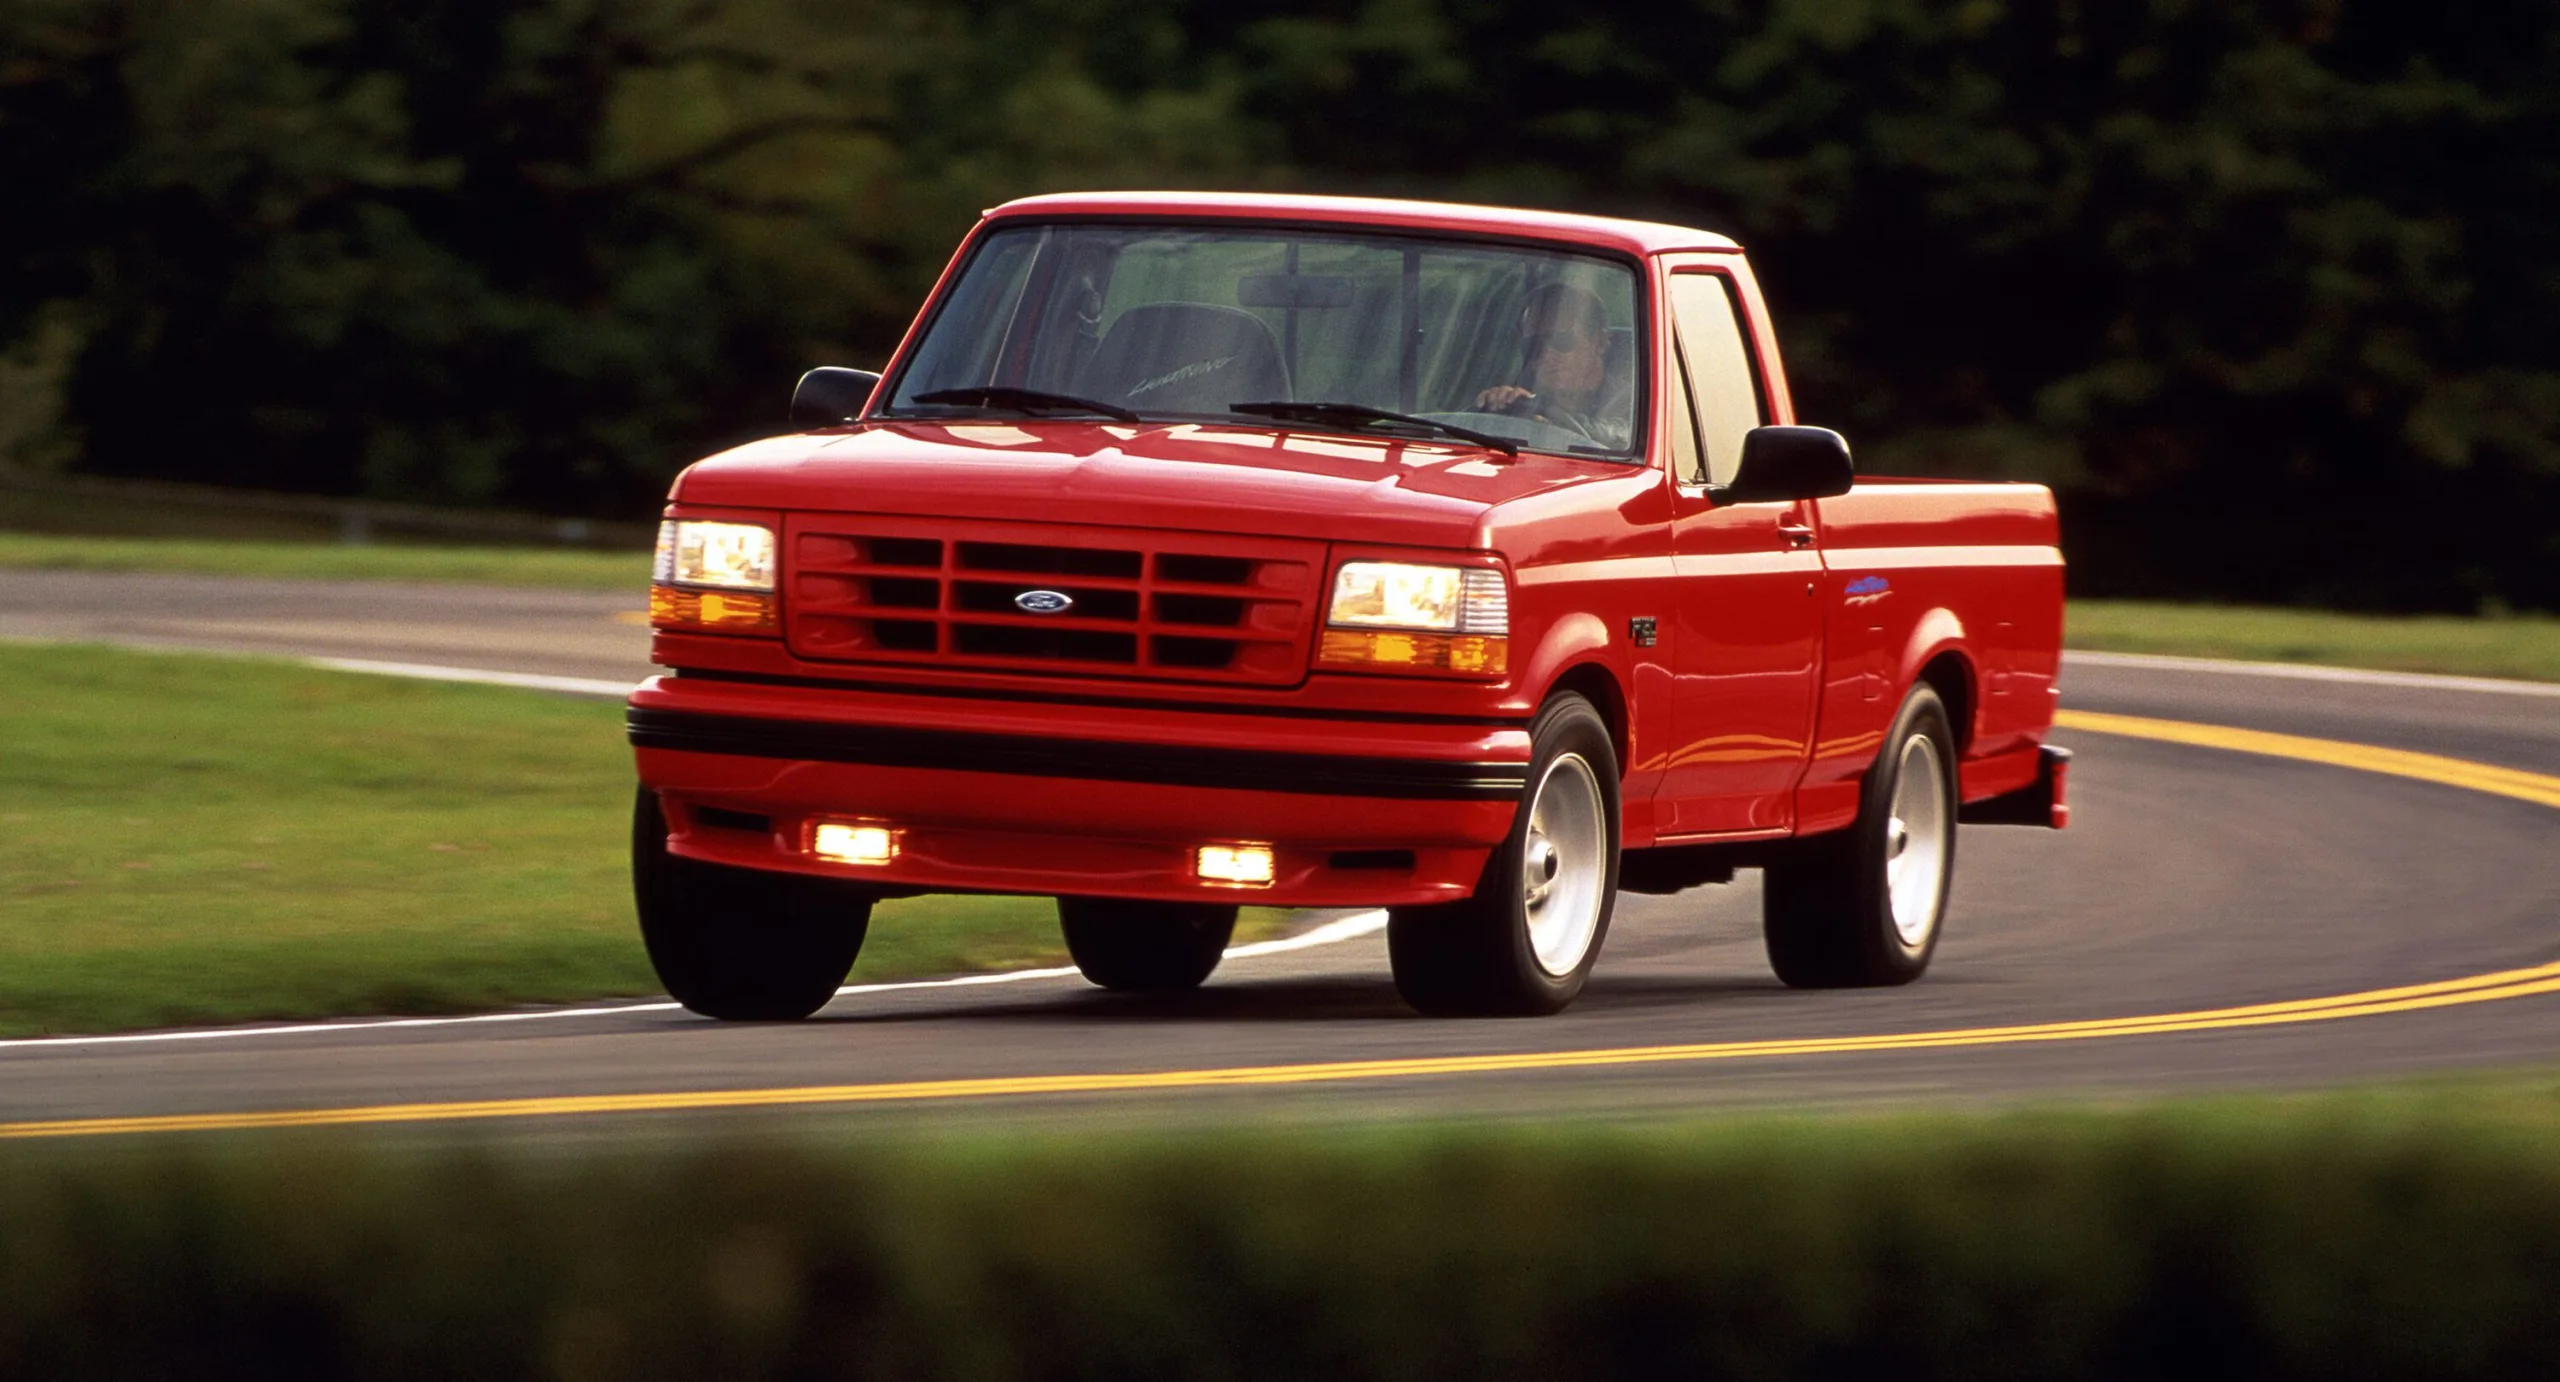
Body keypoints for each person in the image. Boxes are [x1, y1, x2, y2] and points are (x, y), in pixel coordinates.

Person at [1472, 282, 1631, 445]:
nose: (1544, 354)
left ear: (1600, 343)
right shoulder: (1517, 391)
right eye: (1533, 344)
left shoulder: (1631, 400)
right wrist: (1494, 407)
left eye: (1561, 340)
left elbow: (1622, 435)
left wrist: (1554, 421)